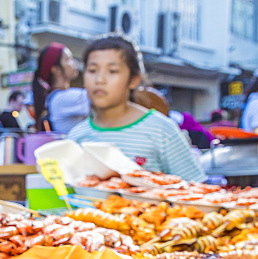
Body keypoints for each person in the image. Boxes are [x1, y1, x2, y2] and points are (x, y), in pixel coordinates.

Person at [67, 34, 205, 183]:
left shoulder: (161, 130)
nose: (100, 79)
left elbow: (197, 187)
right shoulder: (77, 136)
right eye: (92, 70)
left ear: (133, 80)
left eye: (112, 71)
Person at [32, 42, 90, 134]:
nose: (74, 62)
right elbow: (106, 98)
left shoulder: (55, 98)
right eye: (68, 59)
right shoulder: (63, 99)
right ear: (56, 70)